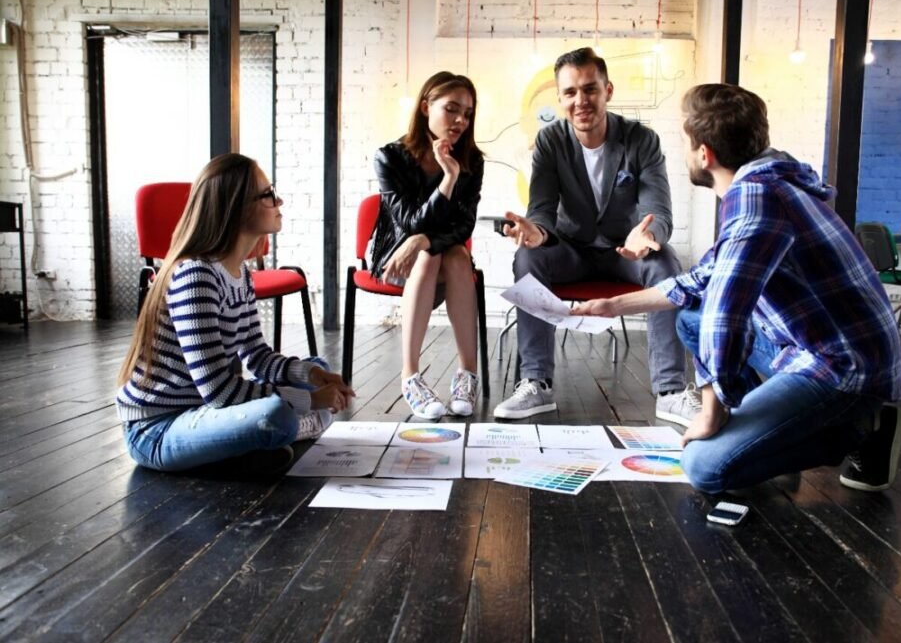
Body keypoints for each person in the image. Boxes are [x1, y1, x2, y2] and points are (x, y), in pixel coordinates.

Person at [572, 83, 901, 493]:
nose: (684, 150)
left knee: (705, 466)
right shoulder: (766, 181)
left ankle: (863, 429)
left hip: (844, 369)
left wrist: (711, 412)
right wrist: (613, 305)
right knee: (689, 318)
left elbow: (724, 315)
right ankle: (768, 435)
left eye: (685, 140)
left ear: (704, 154)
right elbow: (702, 281)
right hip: (814, 346)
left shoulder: (755, 199)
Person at [116, 154, 354, 474]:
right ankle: (276, 432)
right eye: (268, 194)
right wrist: (310, 401)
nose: (278, 200)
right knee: (277, 415)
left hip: (203, 410)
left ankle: (251, 443)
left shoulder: (239, 274)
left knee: (315, 367)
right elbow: (220, 392)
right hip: (156, 431)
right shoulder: (196, 276)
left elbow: (256, 356)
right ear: (238, 207)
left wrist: (311, 378)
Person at [496, 47, 694, 422]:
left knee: (666, 261)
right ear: (560, 98)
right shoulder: (551, 142)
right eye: (570, 93)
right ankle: (535, 383)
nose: (580, 100)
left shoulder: (641, 140)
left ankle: (670, 390)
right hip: (570, 252)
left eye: (590, 89)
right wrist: (538, 232)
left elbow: (659, 207)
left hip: (626, 253)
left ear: (608, 90)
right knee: (527, 256)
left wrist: (648, 234)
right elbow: (541, 206)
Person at [369, 71, 484, 420]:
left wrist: (424, 239)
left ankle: (467, 374)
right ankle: (410, 376)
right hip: (397, 260)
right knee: (431, 255)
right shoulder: (389, 157)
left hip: (442, 258)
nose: (461, 120)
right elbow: (408, 223)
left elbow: (465, 224)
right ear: (425, 107)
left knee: (453, 255)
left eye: (467, 112)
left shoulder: (472, 160)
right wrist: (448, 180)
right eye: (451, 109)